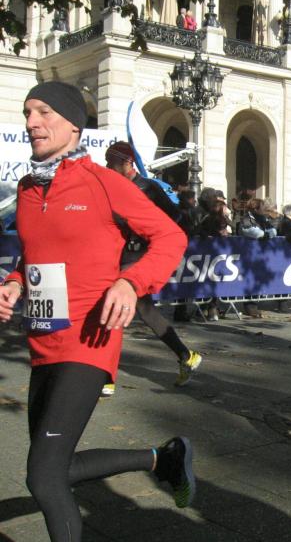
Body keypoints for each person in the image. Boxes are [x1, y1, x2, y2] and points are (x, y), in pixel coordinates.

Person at [0, 81, 195, 541]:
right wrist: (14, 283)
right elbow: (35, 254)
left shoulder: (104, 183)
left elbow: (171, 237)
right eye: (27, 113)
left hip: (89, 342)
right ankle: (163, 459)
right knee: (55, 468)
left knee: (43, 479)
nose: (32, 122)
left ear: (73, 124)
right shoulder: (27, 189)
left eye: (43, 112)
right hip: (43, 343)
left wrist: (130, 282)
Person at [104, 142, 202, 390]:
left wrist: (152, 237)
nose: (107, 166)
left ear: (127, 163)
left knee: (114, 306)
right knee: (144, 310)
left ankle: (106, 377)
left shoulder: (149, 187)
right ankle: (186, 355)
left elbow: (175, 217)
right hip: (118, 254)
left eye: (111, 162)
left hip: (138, 256)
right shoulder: (113, 187)